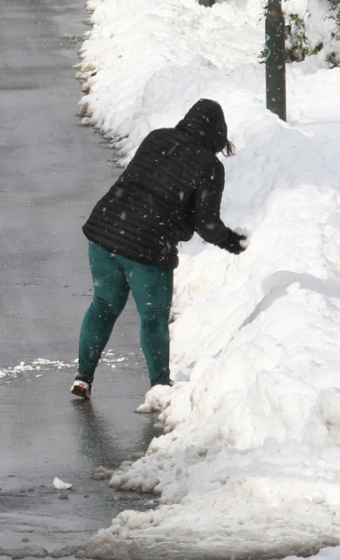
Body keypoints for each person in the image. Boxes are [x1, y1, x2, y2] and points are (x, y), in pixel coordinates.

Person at [72, 98, 247, 399]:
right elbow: (206, 223)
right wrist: (234, 242)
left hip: (105, 230)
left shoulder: (157, 137)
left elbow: (143, 182)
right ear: (219, 133)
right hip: (148, 245)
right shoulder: (210, 166)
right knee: (153, 318)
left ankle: (83, 377)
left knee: (103, 305)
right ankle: (160, 387)